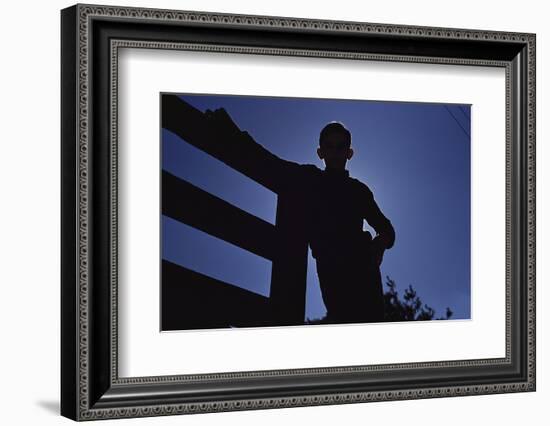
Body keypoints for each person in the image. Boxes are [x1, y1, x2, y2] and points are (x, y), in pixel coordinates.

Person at [167, 98, 395, 323]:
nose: (335, 152)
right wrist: (232, 131)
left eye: (341, 147)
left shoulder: (359, 191)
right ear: (320, 152)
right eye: (329, 146)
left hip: (365, 276)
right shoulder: (309, 178)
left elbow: (388, 230)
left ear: (349, 153)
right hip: (333, 276)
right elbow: (267, 162)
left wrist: (379, 244)